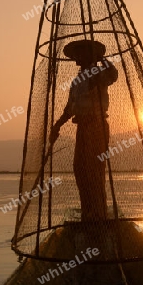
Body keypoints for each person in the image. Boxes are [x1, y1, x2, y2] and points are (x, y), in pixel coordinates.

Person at [51, 40, 118, 221]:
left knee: (94, 169)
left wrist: (101, 58)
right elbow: (69, 108)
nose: (76, 58)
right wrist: (57, 126)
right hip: (82, 127)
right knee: (80, 169)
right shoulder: (77, 81)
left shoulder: (98, 73)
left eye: (81, 53)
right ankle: (88, 211)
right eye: (76, 54)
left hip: (96, 125)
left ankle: (98, 213)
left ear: (90, 56)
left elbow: (113, 75)